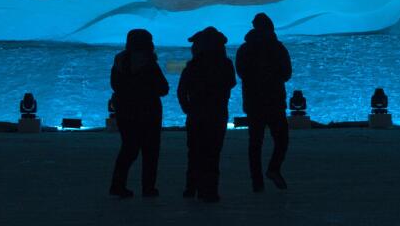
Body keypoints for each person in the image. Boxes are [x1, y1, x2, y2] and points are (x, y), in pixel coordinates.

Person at [177, 26, 236, 203]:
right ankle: (209, 190)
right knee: (212, 153)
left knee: (194, 152)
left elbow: (181, 90)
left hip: (196, 114)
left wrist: (187, 107)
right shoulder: (225, 64)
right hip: (217, 113)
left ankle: (191, 187)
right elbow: (231, 83)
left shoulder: (193, 65)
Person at [235, 12, 293, 191]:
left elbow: (242, 73)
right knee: (281, 140)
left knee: (255, 143)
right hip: (274, 100)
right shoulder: (277, 47)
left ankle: (257, 182)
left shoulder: (245, 49)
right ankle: (273, 169)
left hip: (254, 102)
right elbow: (286, 73)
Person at [109, 28, 169, 198]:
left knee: (128, 149)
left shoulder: (119, 63)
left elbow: (114, 86)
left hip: (125, 113)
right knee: (150, 152)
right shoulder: (149, 64)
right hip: (149, 113)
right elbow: (163, 88)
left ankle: (117, 184)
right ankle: (148, 187)